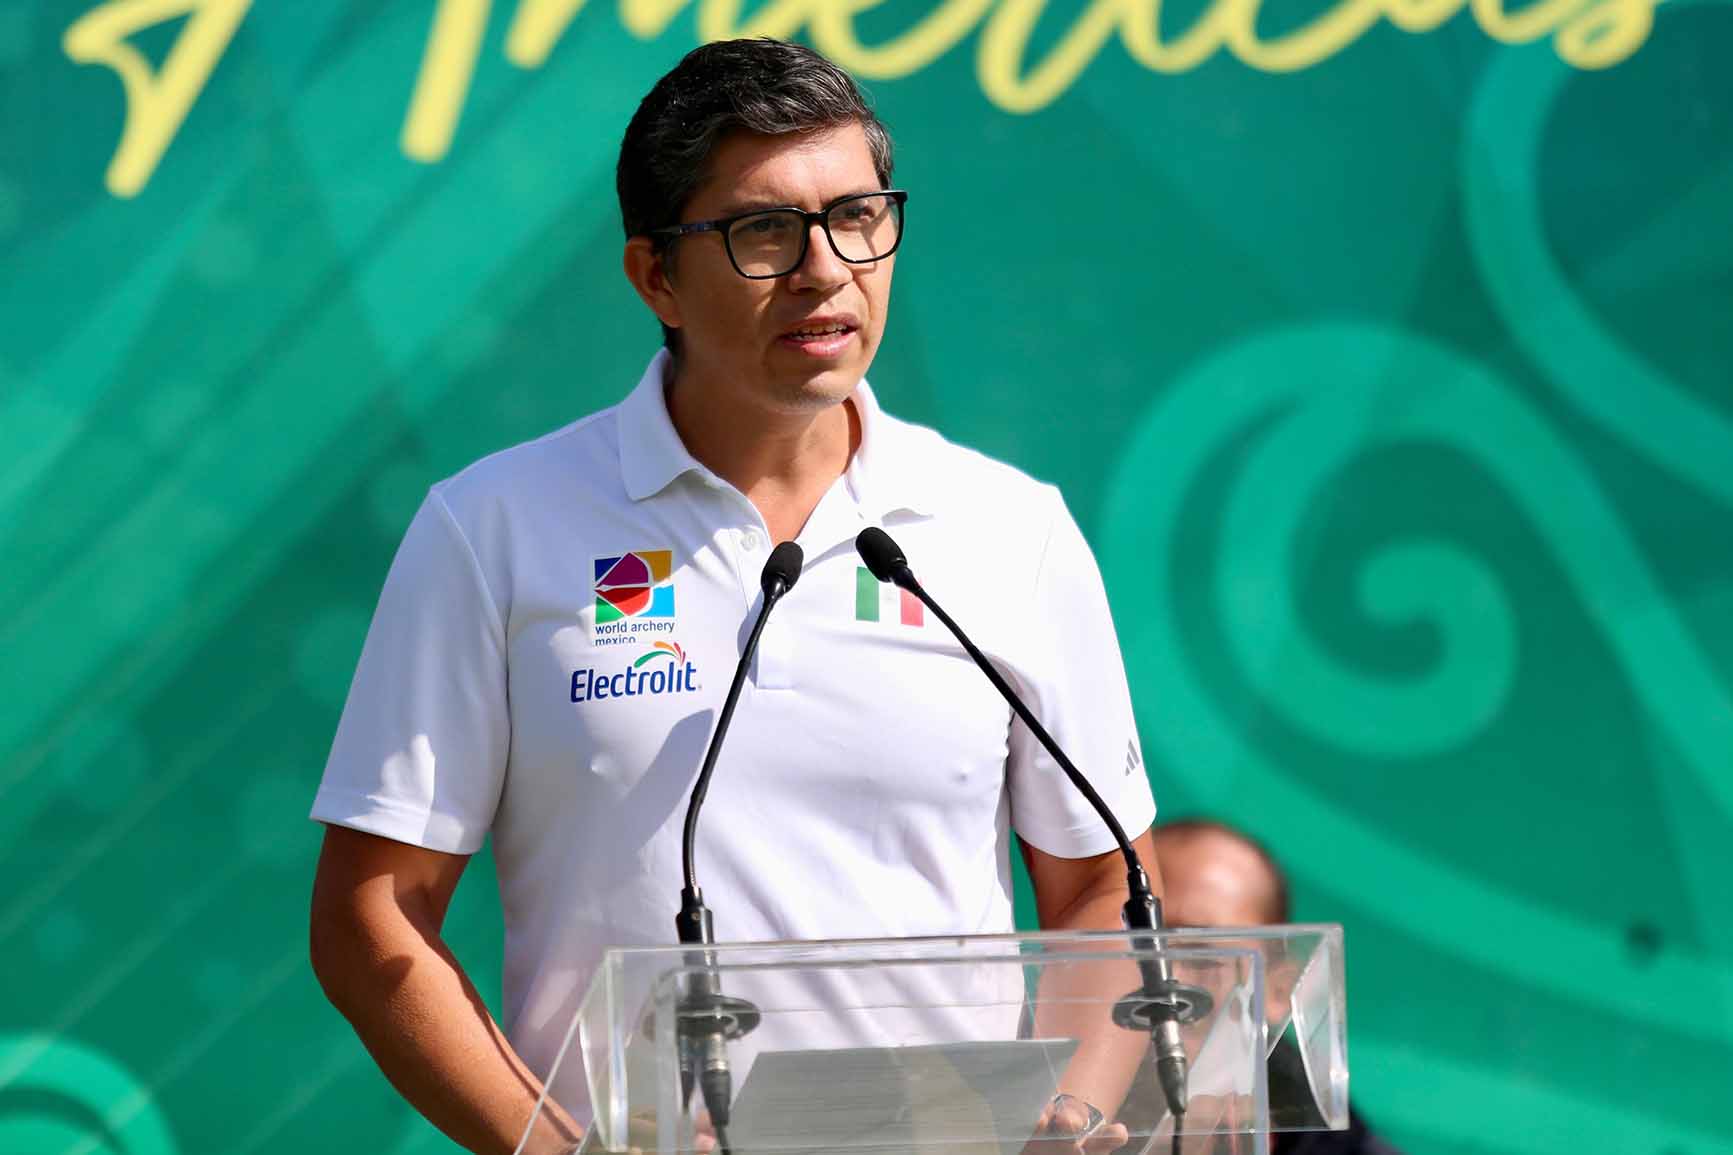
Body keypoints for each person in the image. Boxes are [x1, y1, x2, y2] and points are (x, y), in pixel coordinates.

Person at [308, 38, 1158, 1155]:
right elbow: (373, 916)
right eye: (763, 230)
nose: (824, 269)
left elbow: (1101, 885)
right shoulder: (494, 527)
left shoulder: (1008, 529)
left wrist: (1071, 1121)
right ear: (654, 275)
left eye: (856, 215)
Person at [1151, 820, 1403, 1155]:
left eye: (1201, 952)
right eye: (1139, 946)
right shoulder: (1078, 1128)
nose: (1163, 976)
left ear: (1279, 989)